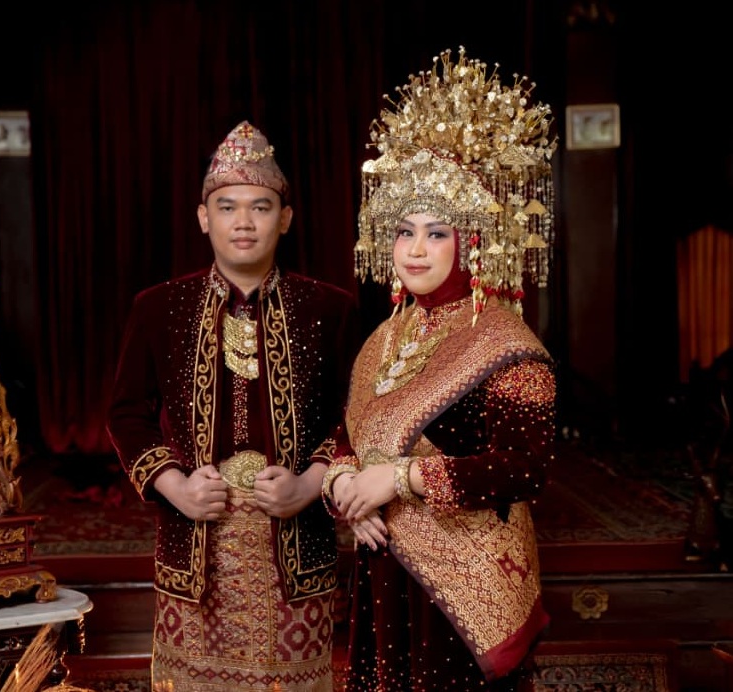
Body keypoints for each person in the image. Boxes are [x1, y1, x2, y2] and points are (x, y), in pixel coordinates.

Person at [322, 47, 558, 691]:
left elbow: (525, 468)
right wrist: (348, 492)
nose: (416, 250)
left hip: (466, 590)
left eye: (437, 233)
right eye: (404, 232)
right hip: (385, 568)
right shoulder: (384, 338)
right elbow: (347, 438)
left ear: (471, 242)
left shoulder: (504, 341)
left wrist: (399, 477)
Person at [107, 120, 359, 691]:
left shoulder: (329, 309)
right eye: (227, 207)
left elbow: (357, 416)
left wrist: (310, 483)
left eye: (260, 207)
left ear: (285, 218)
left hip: (295, 538)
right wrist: (174, 486)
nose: (243, 221)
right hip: (195, 534)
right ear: (204, 217)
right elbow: (126, 414)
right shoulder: (158, 308)